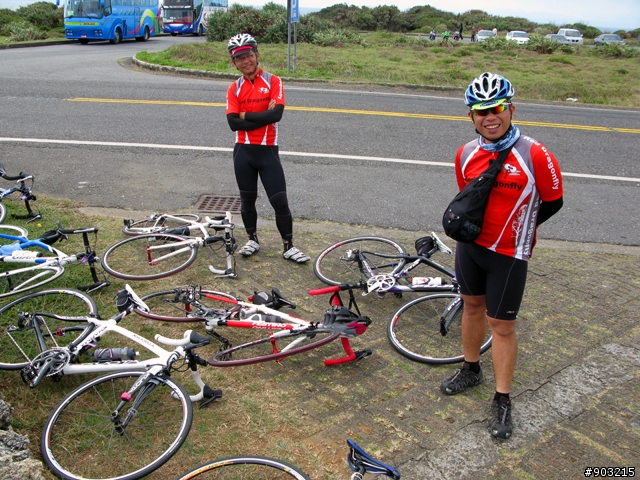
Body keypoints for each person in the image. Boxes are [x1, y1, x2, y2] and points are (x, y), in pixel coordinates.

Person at [439, 72, 564, 440]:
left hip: (509, 254)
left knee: (503, 326)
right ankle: (471, 369)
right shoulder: (466, 154)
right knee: (471, 307)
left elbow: (554, 201)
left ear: (510, 109)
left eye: (496, 109)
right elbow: (469, 197)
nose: (489, 117)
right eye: (480, 111)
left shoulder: (535, 153)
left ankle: (503, 398)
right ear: (471, 116)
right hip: (471, 248)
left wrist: (522, 227)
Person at [225, 33, 310, 264]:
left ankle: (288, 247)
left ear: (257, 55)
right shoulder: (234, 88)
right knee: (247, 200)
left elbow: (277, 114)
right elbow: (233, 122)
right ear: (234, 62)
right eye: (239, 58)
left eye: (248, 55)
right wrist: (264, 116)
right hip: (243, 151)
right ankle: (252, 239)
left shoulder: (273, 81)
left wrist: (246, 115)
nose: (245, 61)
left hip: (268, 151)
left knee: (280, 201)